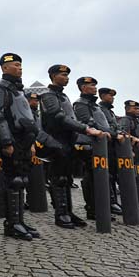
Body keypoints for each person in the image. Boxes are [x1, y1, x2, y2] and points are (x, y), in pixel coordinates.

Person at [39, 66, 104, 229]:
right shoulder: (48, 95)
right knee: (58, 178)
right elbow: (59, 117)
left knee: (67, 178)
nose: (66, 77)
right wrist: (85, 129)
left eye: (67, 75)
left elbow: (70, 117)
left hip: (68, 140)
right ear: (54, 76)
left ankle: (69, 211)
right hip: (55, 140)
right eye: (63, 75)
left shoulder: (63, 96)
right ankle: (61, 213)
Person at [0, 53, 41, 240]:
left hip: (25, 141)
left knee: (22, 181)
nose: (20, 68)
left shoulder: (19, 91)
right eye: (16, 65)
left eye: (21, 65)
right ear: (4, 67)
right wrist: (6, 141)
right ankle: (12, 224)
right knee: (13, 181)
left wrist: (32, 142)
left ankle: (20, 220)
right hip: (12, 139)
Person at [73, 77, 123, 219]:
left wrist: (117, 132)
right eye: (91, 85)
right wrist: (114, 134)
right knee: (92, 177)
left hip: (100, 144)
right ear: (83, 87)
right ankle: (93, 209)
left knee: (102, 177)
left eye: (95, 85)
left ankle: (102, 207)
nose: (95, 87)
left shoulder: (94, 105)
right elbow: (90, 123)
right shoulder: (80, 104)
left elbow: (106, 125)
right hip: (89, 144)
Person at [98, 87, 123, 214]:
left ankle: (113, 201)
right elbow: (104, 126)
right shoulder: (100, 109)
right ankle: (110, 202)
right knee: (107, 175)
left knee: (113, 174)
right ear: (102, 96)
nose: (112, 98)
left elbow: (116, 126)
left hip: (113, 145)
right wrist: (115, 134)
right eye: (110, 95)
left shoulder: (110, 111)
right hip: (105, 144)